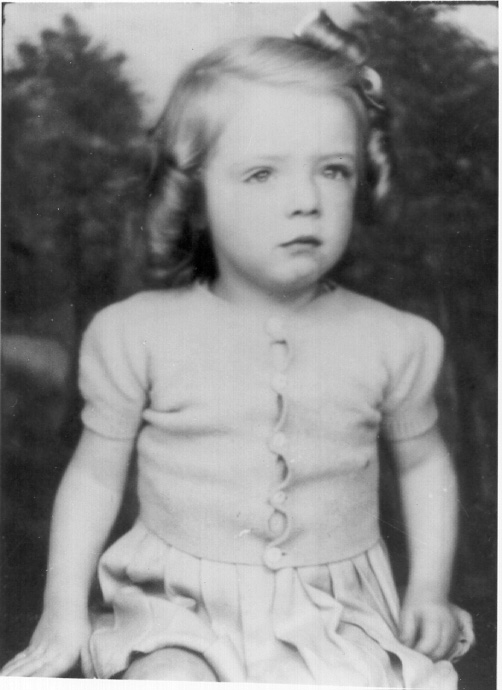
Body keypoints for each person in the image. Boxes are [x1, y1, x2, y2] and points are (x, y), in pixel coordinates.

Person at [1, 10, 474, 687]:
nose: (306, 200)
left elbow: (425, 465)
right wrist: (62, 608)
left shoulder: (394, 340)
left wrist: (427, 589)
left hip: (330, 615)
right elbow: (96, 478)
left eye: (333, 170)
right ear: (194, 195)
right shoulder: (138, 334)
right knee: (167, 679)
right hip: (178, 608)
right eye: (262, 174)